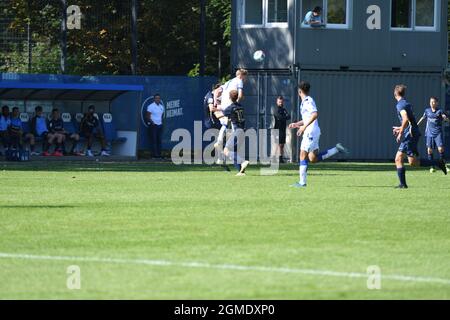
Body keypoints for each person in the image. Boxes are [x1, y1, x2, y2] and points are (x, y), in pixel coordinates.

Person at [289, 81, 349, 188]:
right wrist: (296, 124)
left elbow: (315, 114)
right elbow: (307, 118)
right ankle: (336, 149)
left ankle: (302, 183)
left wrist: (304, 127)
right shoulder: (304, 102)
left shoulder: (308, 101)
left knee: (302, 154)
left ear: (299, 91)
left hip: (310, 132)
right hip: (313, 131)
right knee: (312, 158)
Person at [392, 85, 447, 189]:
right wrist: (400, 128)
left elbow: (405, 119)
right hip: (413, 132)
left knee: (398, 158)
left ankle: (402, 184)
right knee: (413, 162)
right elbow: (410, 121)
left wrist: (400, 132)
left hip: (411, 134)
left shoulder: (400, 105)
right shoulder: (406, 103)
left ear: (395, 94)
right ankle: (438, 162)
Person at [214, 69, 248, 164]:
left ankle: (220, 148)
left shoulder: (229, 81)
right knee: (235, 131)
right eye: (245, 78)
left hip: (224, 106)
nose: (245, 80)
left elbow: (216, 91)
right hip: (231, 107)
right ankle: (235, 157)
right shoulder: (239, 80)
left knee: (226, 126)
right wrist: (236, 104)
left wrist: (216, 102)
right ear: (241, 76)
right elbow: (240, 95)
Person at [417, 97, 449, 173]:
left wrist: (445, 118)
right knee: (429, 150)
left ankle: (444, 165)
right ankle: (432, 167)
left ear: (437, 103)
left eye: (434, 102)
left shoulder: (440, 111)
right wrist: (416, 125)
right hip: (429, 133)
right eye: (431, 102)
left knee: (440, 149)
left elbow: (447, 120)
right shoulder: (427, 111)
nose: (432, 103)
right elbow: (423, 118)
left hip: (438, 133)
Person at [223, 90, 250, 176]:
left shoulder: (231, 108)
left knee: (226, 150)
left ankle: (243, 161)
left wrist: (215, 110)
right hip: (243, 131)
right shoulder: (241, 106)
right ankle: (241, 172)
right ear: (237, 97)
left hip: (237, 131)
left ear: (229, 97)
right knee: (234, 151)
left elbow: (224, 113)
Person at [272, 96, 291, 163]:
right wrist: (284, 117)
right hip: (277, 130)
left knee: (282, 145)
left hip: (282, 130)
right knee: (277, 144)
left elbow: (289, 116)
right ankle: (273, 158)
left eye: (282, 102)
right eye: (279, 102)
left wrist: (284, 117)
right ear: (277, 102)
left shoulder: (284, 109)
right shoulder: (275, 109)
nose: (281, 103)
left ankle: (281, 159)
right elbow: (279, 117)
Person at [146, 94, 165, 159]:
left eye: (159, 98)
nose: (158, 99)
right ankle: (154, 155)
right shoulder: (150, 106)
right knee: (154, 141)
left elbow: (161, 116)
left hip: (160, 125)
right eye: (156, 98)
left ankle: (159, 154)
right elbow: (147, 116)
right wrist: (153, 123)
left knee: (159, 140)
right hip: (153, 126)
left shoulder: (161, 106)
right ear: (154, 99)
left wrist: (161, 123)